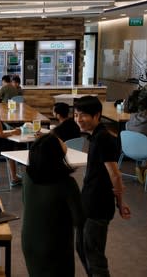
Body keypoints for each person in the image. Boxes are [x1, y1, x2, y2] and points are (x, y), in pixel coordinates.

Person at [74, 95, 131, 277]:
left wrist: (120, 203)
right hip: (88, 202)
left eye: (83, 115)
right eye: (76, 115)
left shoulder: (103, 139)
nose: (78, 120)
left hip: (98, 206)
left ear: (97, 115)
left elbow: (115, 174)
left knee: (94, 254)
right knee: (82, 247)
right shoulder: (94, 137)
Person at [22, 133, 84, 277]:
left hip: (30, 239)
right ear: (56, 154)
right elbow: (79, 219)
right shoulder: (67, 183)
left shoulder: (27, 176)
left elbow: (26, 202)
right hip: (55, 244)